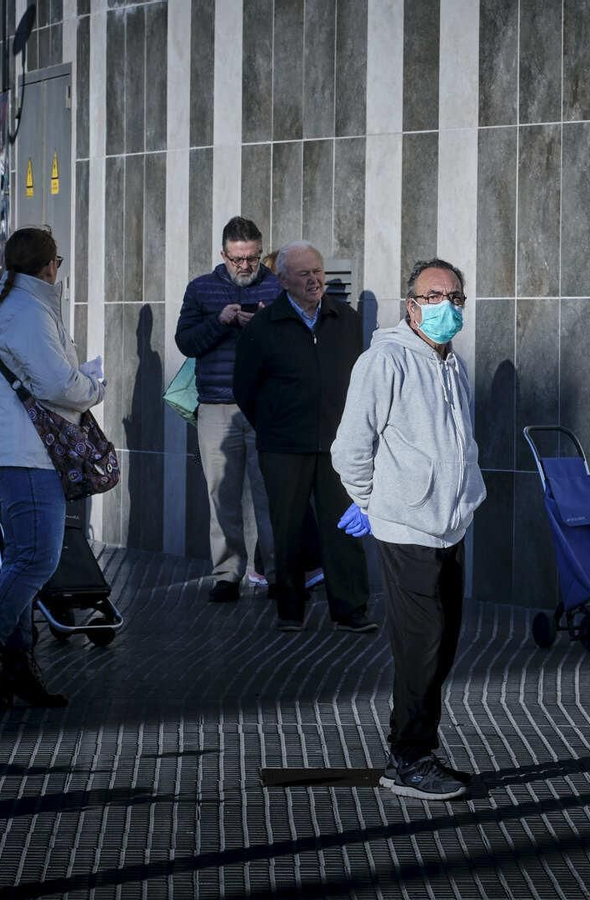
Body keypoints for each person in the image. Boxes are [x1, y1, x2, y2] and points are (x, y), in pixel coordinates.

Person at [332, 258, 485, 801]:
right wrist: (374, 503)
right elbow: (351, 447)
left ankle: (416, 749)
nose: (447, 306)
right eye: (434, 296)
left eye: (455, 297)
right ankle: (409, 760)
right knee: (422, 645)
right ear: (411, 305)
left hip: (450, 525)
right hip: (407, 527)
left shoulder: (452, 364)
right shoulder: (385, 360)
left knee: (441, 646)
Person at [0, 227, 104, 709]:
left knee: (20, 560)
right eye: (58, 262)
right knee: (37, 560)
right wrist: (93, 388)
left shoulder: (9, 304)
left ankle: (19, 667)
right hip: (27, 450)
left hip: (13, 447)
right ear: (50, 266)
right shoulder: (28, 309)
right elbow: (57, 383)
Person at [233, 240, 371, 633]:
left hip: (337, 445)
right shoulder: (263, 326)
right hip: (283, 446)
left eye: (318, 272)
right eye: (304, 274)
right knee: (288, 528)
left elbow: (361, 379)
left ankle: (351, 610)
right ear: (283, 280)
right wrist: (274, 425)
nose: (314, 280)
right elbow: (244, 388)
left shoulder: (346, 320)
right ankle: (290, 609)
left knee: (343, 526)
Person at [174, 216, 282, 604]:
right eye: (238, 259)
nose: (246, 266)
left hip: (265, 407)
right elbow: (186, 342)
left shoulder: (277, 286)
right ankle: (226, 574)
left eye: (252, 258)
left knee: (271, 495)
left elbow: (295, 343)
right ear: (223, 254)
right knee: (221, 495)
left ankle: (277, 573)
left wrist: (265, 324)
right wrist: (220, 322)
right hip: (216, 407)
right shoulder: (201, 288)